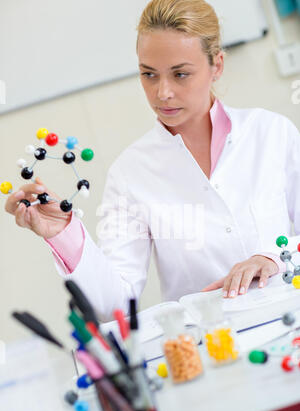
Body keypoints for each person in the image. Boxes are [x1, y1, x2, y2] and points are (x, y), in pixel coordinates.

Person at [5, 0, 300, 322]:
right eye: (149, 75)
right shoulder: (130, 172)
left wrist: (274, 257)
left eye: (181, 74)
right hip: (211, 342)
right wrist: (62, 232)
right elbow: (114, 305)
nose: (162, 93)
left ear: (217, 65)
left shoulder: (271, 133)